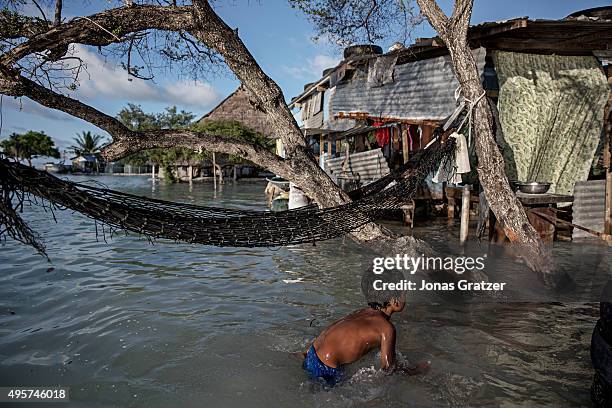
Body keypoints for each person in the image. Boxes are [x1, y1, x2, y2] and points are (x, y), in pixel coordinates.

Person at [302, 267, 429, 385]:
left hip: (311, 354)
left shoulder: (360, 312)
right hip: (326, 371)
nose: (406, 294)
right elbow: (389, 369)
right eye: (404, 292)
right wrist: (415, 371)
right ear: (394, 300)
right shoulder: (386, 328)